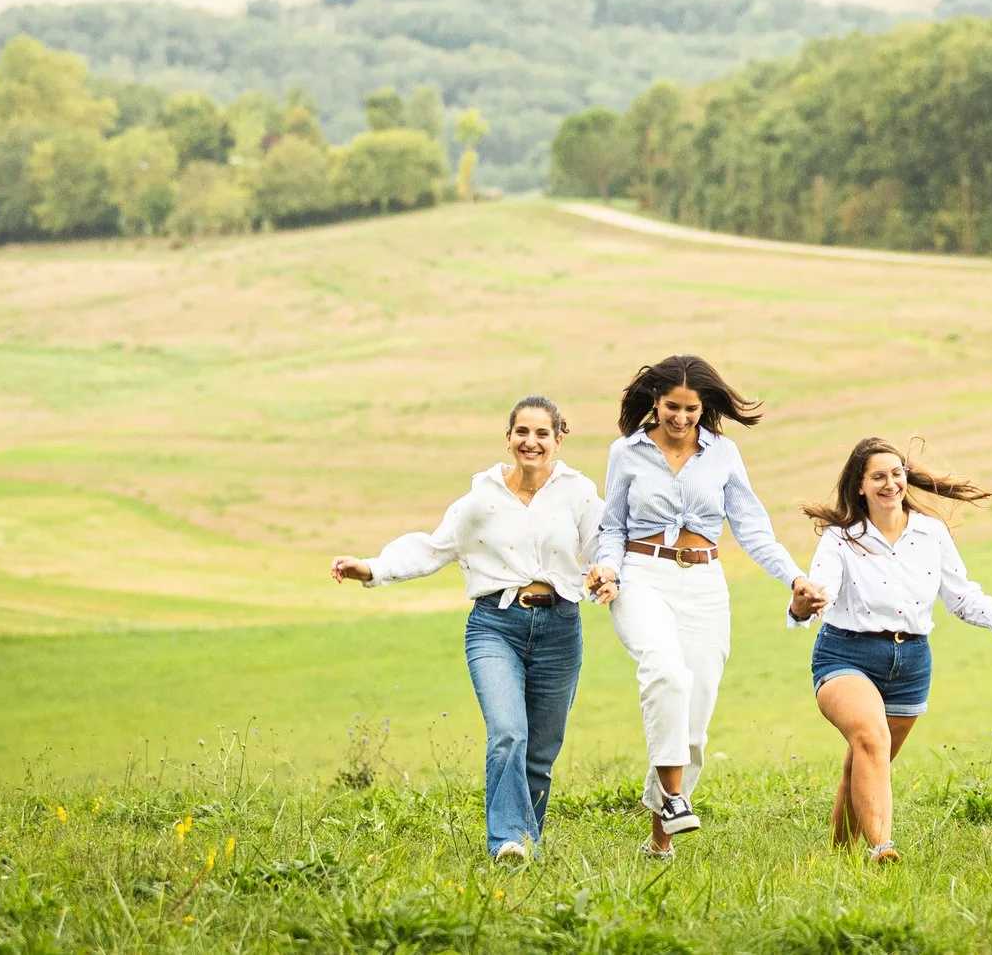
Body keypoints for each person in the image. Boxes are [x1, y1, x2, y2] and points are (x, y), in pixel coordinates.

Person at [331, 396, 599, 864]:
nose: (530, 442)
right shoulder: (482, 498)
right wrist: (370, 568)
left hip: (559, 628)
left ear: (559, 440)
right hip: (496, 626)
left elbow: (602, 546)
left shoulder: (578, 493)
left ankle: (527, 844)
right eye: (522, 432)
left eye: (541, 434)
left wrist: (605, 574)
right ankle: (508, 841)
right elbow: (433, 548)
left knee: (540, 749)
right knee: (508, 732)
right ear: (509, 437)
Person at [587, 355, 826, 858]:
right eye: (672, 407)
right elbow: (612, 526)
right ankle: (674, 798)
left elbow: (753, 528)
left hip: (705, 583)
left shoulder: (723, 454)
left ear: (704, 407)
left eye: (691, 409)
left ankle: (660, 839)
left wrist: (797, 577)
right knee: (666, 673)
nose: (681, 417)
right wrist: (607, 569)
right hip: (642, 576)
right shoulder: (626, 452)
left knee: (695, 710)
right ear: (655, 402)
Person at [788, 436, 992, 864]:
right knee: (870, 738)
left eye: (896, 474)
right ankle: (881, 848)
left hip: (911, 662)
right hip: (846, 654)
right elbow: (819, 586)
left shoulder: (930, 533)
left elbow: (960, 595)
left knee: (866, 758)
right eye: (878, 476)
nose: (890, 483)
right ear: (860, 486)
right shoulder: (841, 538)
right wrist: (803, 603)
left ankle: (838, 855)